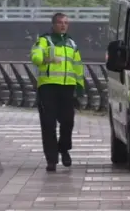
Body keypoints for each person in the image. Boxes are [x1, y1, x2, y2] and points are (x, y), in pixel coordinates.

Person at [30, 12, 85, 172]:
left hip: (67, 87)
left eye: (66, 23)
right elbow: (35, 57)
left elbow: (78, 66)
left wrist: (80, 86)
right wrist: (46, 59)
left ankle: (64, 148)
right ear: (53, 25)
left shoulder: (72, 44)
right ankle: (51, 159)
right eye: (60, 22)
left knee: (68, 122)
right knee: (48, 124)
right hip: (48, 87)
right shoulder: (44, 41)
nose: (63, 25)